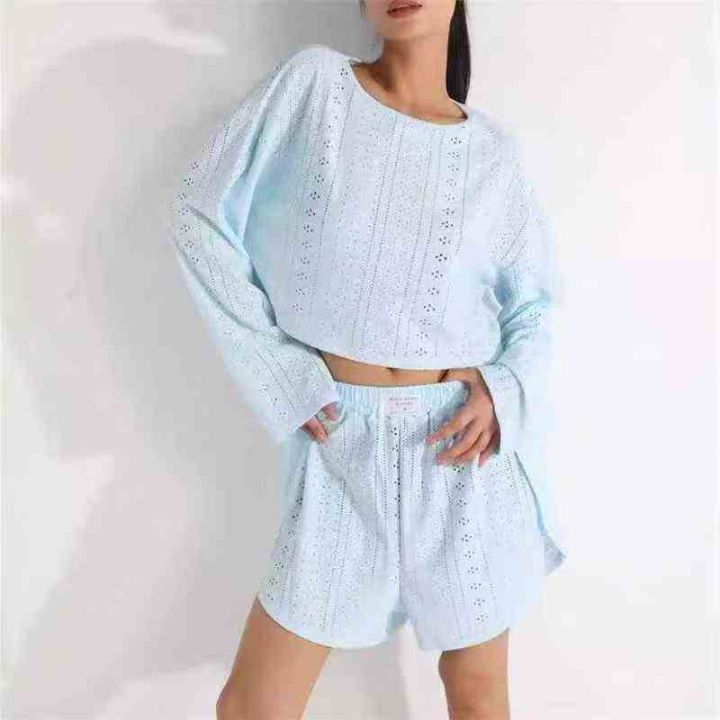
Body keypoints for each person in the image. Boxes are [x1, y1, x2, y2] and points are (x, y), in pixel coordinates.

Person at [166, 1, 568, 717]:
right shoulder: (314, 88)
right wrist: (281, 373)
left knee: (479, 699)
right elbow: (198, 213)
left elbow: (535, 308)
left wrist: (500, 390)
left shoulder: (492, 154)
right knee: (254, 705)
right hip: (340, 442)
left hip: (462, 455)